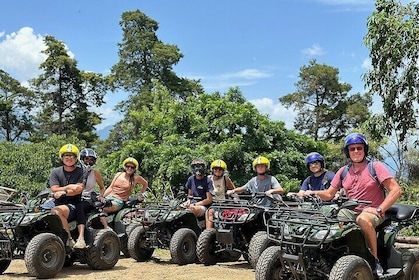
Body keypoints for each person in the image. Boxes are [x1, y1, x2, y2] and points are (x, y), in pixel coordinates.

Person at [304, 133, 402, 275]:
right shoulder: (343, 171)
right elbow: (330, 194)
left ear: (365, 150)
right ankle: (332, 257)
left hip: (373, 212)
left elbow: (396, 190)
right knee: (330, 220)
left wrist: (380, 209)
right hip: (350, 210)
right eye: (352, 149)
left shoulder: (375, 167)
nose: (356, 151)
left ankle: (374, 261)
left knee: (362, 219)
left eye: (359, 148)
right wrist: (313, 193)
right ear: (348, 152)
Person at [49, 144, 84, 248]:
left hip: (73, 204)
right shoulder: (55, 172)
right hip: (56, 201)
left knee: (57, 211)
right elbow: (54, 189)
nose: (69, 158)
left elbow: (78, 190)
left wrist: (63, 192)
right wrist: (69, 187)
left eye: (72, 156)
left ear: (76, 158)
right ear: (62, 157)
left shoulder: (81, 171)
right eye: (66, 156)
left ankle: (69, 239)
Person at [100, 157, 148, 229]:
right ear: (125, 167)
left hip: (118, 201)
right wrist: (102, 196)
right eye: (128, 166)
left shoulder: (136, 178)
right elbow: (110, 187)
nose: (129, 168)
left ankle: (106, 228)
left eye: (132, 167)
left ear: (135, 169)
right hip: (109, 197)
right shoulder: (119, 174)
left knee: (101, 209)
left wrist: (140, 194)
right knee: (96, 204)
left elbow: (145, 184)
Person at [73, 148, 106, 249]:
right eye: (87, 158)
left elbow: (102, 187)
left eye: (92, 160)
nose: (89, 161)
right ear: (82, 158)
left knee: (79, 207)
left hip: (88, 199)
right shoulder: (75, 171)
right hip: (74, 197)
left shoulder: (95, 173)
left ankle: (81, 237)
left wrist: (101, 196)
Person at [206, 159, 235, 228]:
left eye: (220, 169)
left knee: (210, 212)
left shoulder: (225, 179)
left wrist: (232, 194)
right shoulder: (208, 179)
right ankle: (207, 233)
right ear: (212, 170)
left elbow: (234, 190)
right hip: (210, 202)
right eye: (216, 169)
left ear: (223, 171)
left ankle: (208, 232)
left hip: (222, 203)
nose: (218, 171)